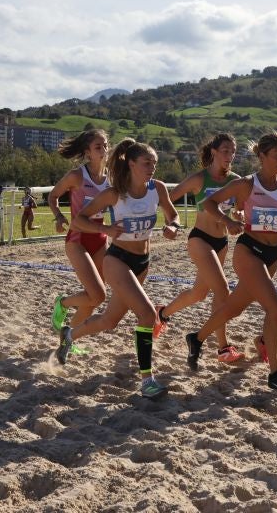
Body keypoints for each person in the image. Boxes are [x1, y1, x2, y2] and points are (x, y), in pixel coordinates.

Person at [55, 138, 181, 399]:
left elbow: (173, 214)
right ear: (132, 163)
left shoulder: (157, 189)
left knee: (109, 321)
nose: (152, 168)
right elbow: (79, 219)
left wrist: (173, 227)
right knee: (147, 316)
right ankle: (147, 381)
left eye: (154, 163)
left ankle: (70, 334)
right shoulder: (115, 193)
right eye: (147, 163)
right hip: (118, 260)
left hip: (143, 262)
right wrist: (105, 229)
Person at [185, 131, 277, 393]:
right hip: (248, 251)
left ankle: (196, 338)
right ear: (262, 156)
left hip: (273, 254)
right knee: (275, 309)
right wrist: (228, 222)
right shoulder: (247, 184)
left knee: (233, 307)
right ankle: (275, 373)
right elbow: (209, 203)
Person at [154, 133, 244, 363]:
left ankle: (161, 314)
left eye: (233, 151)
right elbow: (167, 199)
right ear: (213, 152)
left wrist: (238, 215)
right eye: (225, 150)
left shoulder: (236, 180)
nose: (230, 155)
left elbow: (239, 209)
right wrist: (170, 224)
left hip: (221, 242)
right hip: (200, 239)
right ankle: (223, 347)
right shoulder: (199, 179)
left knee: (199, 293)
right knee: (222, 290)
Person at [48, 129, 110, 335]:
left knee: (94, 300)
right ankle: (63, 302)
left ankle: (69, 337)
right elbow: (53, 196)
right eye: (98, 147)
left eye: (106, 145)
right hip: (78, 239)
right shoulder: (76, 176)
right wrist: (58, 216)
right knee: (97, 294)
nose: (104, 150)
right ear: (88, 152)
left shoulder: (111, 178)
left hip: (101, 239)